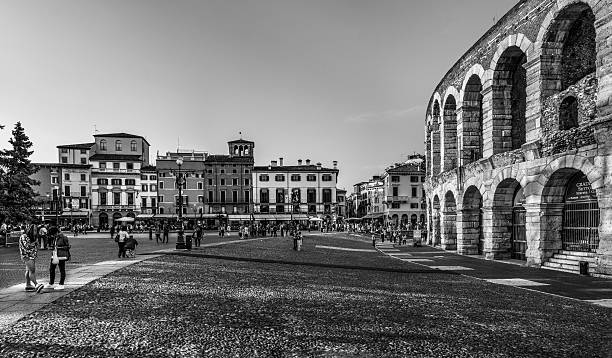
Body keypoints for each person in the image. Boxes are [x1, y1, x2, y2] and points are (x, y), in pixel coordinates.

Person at [19, 224, 44, 293]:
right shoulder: (24, 236)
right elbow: (27, 246)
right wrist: (35, 243)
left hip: (32, 255)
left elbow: (36, 246)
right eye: (34, 230)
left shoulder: (33, 237)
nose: (35, 232)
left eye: (36, 230)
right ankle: (36, 284)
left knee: (28, 270)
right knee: (32, 270)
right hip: (27, 256)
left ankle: (28, 285)